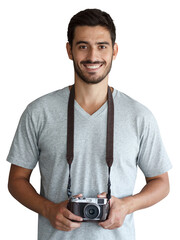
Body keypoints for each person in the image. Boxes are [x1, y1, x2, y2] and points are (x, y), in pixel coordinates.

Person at [7, 8, 172, 240]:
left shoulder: (139, 115)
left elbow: (161, 182)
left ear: (114, 51)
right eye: (83, 46)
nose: (93, 56)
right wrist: (48, 209)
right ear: (69, 50)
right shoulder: (39, 111)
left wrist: (127, 205)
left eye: (102, 46)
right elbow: (16, 180)